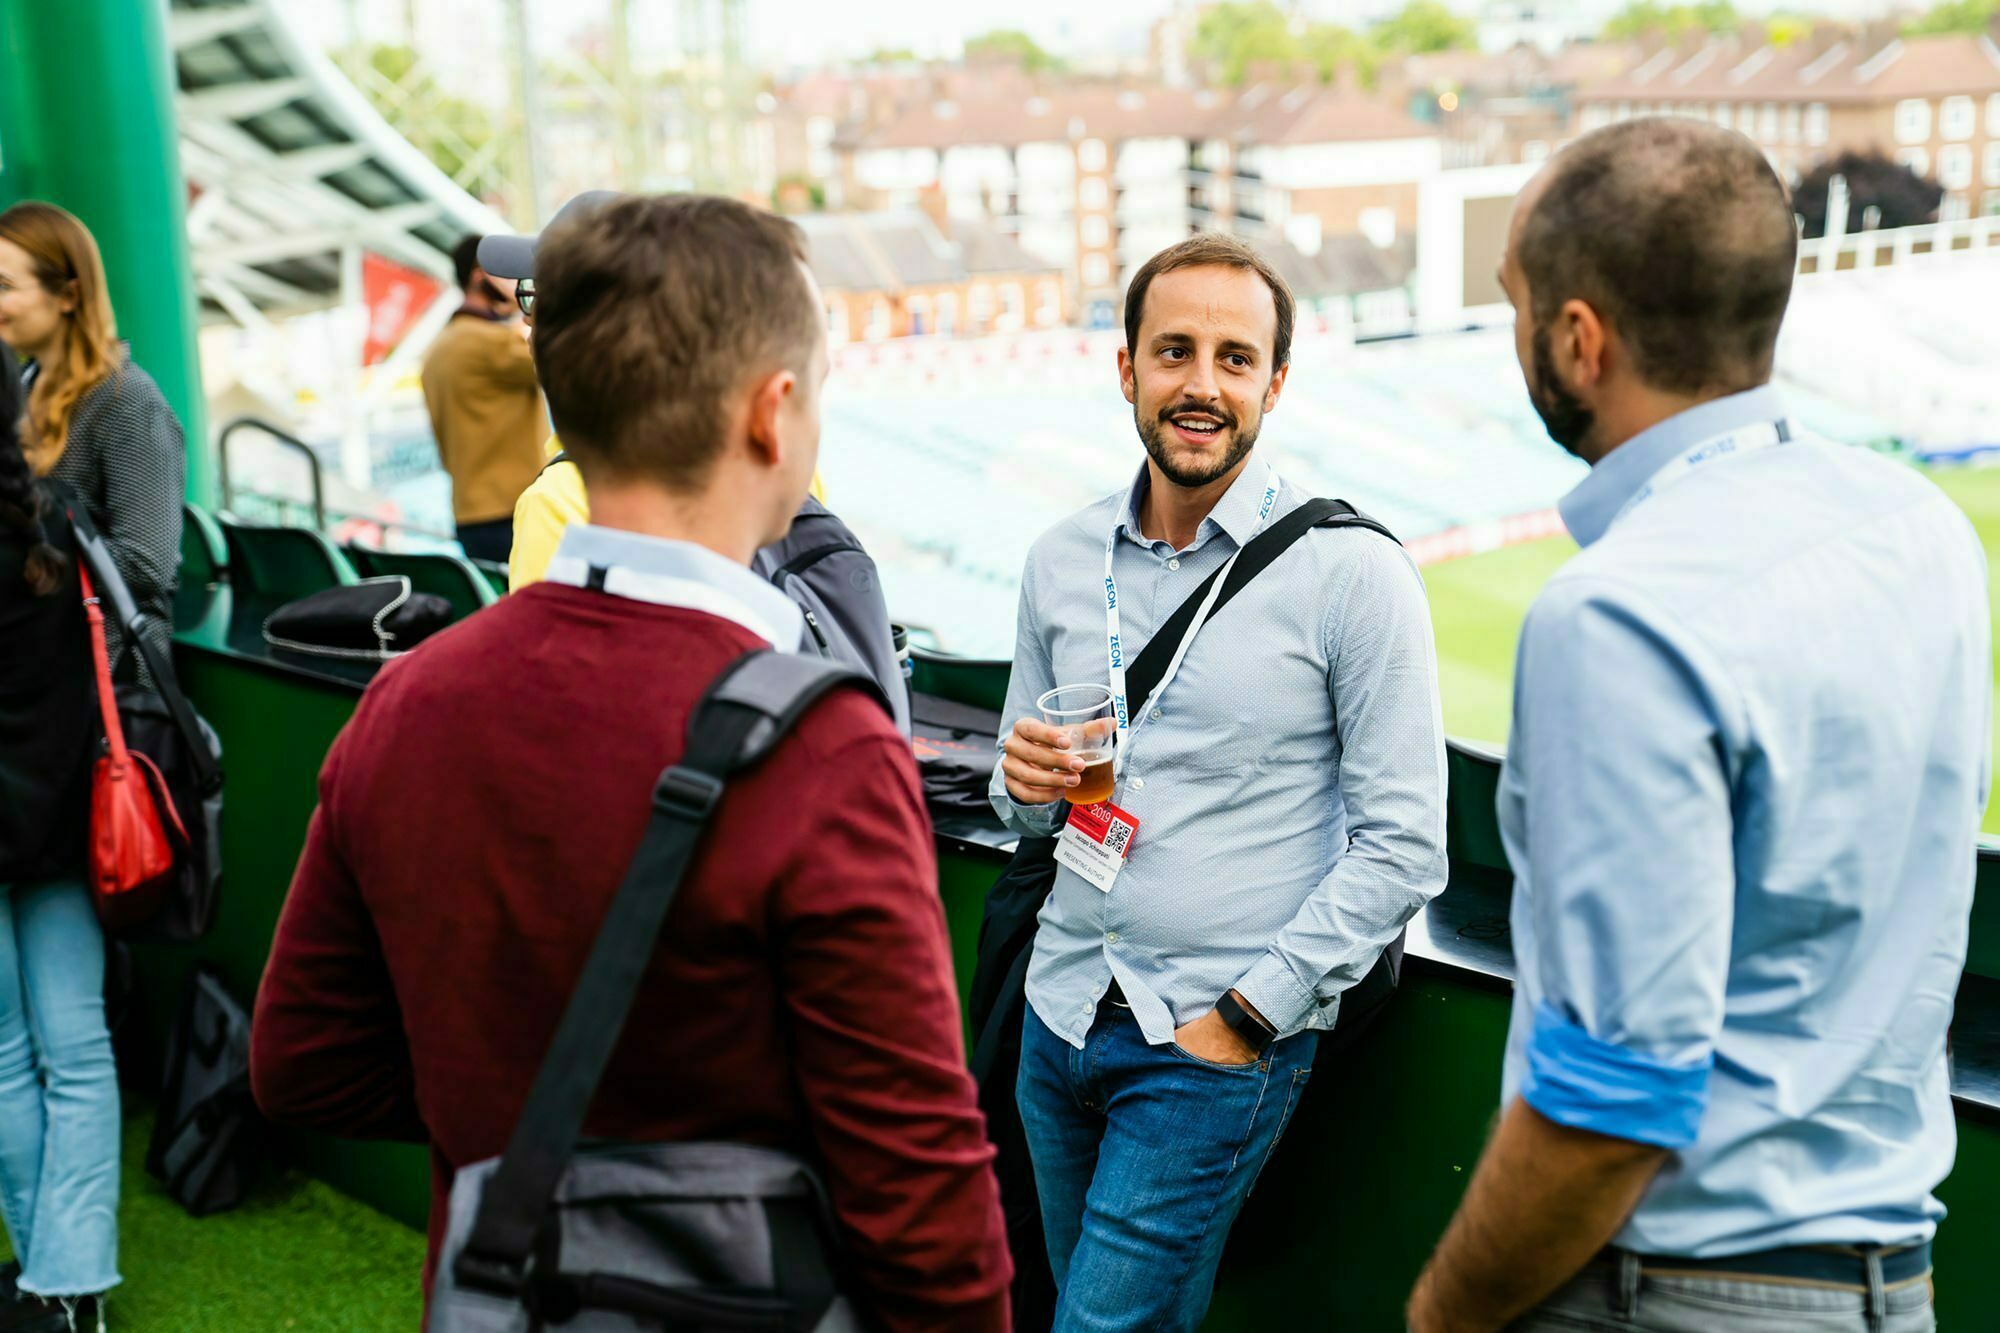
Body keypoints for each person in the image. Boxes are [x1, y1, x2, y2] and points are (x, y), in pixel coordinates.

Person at [249, 193, 1011, 1329]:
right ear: (773, 413)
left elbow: (304, 1063)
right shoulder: (822, 743)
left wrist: (517, 1109)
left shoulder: (408, 702)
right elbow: (920, 1189)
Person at [1408, 118, 1989, 1333]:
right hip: (1890, 1286)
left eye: (1517, 305)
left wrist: (1440, 1316)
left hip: (1667, 1294)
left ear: (1578, 339)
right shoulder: (1918, 526)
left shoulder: (1616, 616)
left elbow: (1611, 1101)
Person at [991, 232, 1449, 1331]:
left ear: (1274, 383)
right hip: (1055, 1017)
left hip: (1205, 1042)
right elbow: (1021, 806)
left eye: (1234, 358)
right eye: (1174, 351)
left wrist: (1248, 1017)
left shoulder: (1354, 572)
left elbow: (1406, 845)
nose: (1201, 384)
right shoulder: (1059, 559)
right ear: (1126, 369)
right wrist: (1021, 778)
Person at [482, 197, 912, 734]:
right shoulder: (779, 472)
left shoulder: (558, 502)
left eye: (541, 301)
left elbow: (548, 719)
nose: (528, 326)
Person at [0, 341, 117, 1333]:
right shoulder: (59, 524)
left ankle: (49, 1284)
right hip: (62, 824)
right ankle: (64, 1286)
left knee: (2, 1057)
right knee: (77, 1052)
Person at [0, 201, 183, 691]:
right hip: (34, 667)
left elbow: (148, 565)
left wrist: (26, 559)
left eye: (4, 286)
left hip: (103, 687)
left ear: (68, 295)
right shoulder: (21, 385)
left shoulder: (127, 400)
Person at [419, 233, 544, 564]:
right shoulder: (488, 343)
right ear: (480, 276)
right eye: (506, 275)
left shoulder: (438, 349)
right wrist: (528, 304)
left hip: (469, 512)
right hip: (510, 510)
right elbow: (563, 358)